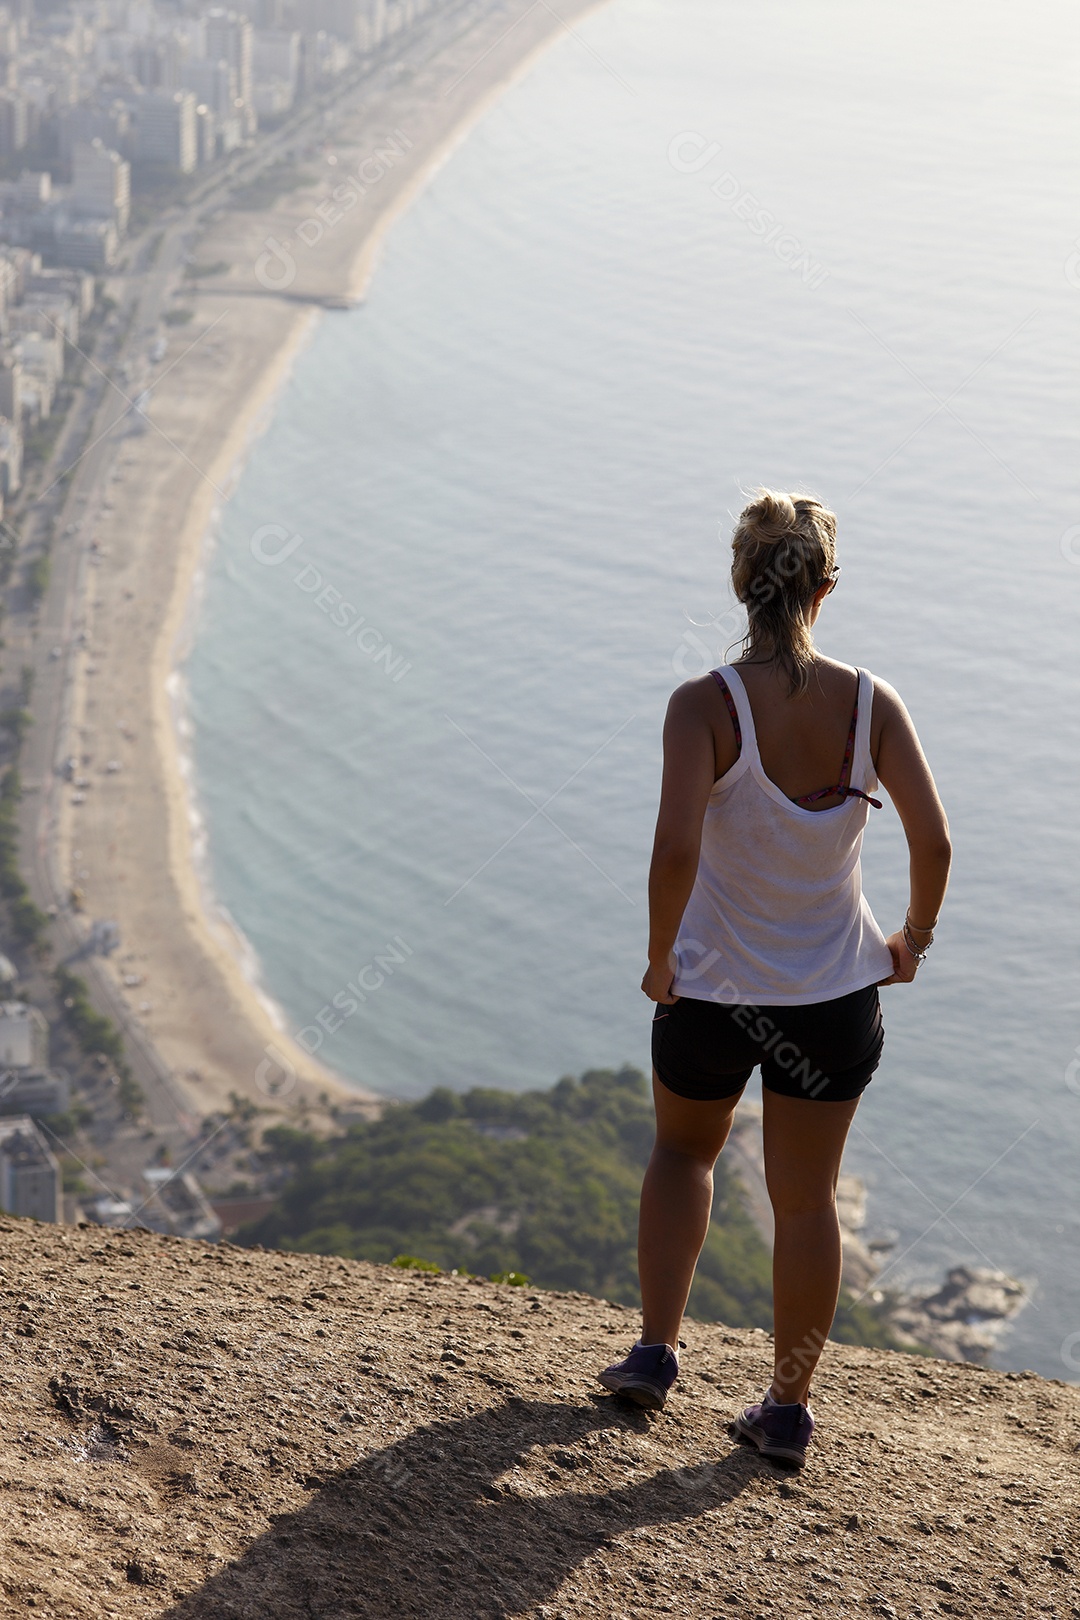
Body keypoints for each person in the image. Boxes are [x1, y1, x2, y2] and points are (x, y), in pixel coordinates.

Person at [598, 489, 952, 1470]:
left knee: (682, 1157)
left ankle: (655, 1354)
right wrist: (913, 939)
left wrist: (662, 954)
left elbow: (674, 850)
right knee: (807, 1202)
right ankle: (786, 1410)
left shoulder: (701, 706)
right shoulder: (873, 706)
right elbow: (936, 840)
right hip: (837, 995)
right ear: (823, 591)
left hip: (712, 991)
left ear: (739, 582)